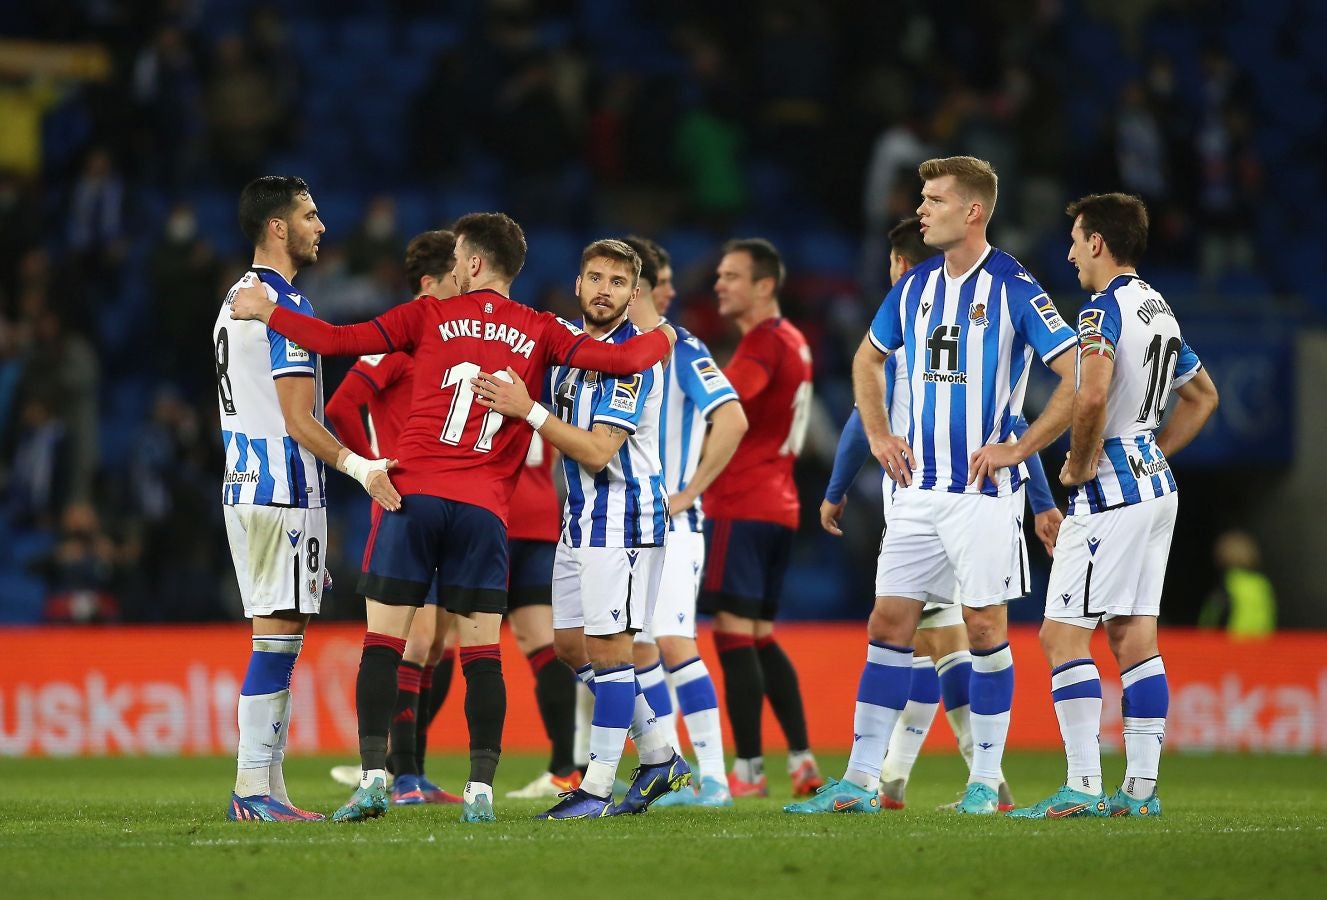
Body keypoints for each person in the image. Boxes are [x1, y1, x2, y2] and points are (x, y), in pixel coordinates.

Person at [229, 213, 677, 824]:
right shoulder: (545, 330)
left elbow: (333, 341)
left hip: (411, 497)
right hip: (484, 511)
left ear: (471, 263)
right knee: (483, 656)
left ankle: (374, 780)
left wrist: (268, 311)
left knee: (384, 645)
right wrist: (665, 334)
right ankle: (480, 794)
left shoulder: (426, 315)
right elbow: (626, 360)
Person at [788, 156, 1079, 816]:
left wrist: (1021, 449)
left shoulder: (1013, 285)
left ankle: (984, 781)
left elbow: (1077, 375)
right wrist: (879, 432)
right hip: (917, 492)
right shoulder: (914, 284)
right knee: (888, 622)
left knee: (982, 625)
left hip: (981, 494)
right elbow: (867, 359)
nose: (920, 210)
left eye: (934, 200)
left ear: (972, 211)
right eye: (921, 199)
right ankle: (860, 782)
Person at [1008, 193, 1218, 819]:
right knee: (1133, 637)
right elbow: (1204, 396)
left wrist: (1078, 463)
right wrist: (1151, 454)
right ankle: (1141, 792)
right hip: (1155, 488)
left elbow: (1091, 393)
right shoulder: (1158, 307)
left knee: (1061, 635)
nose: (1071, 252)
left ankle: (1082, 785)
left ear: (1098, 242)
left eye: (1076, 239)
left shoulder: (1101, 311)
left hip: (1111, 495)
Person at [472, 239, 691, 819]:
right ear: (577, 283)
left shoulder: (634, 360)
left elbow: (596, 451)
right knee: (572, 647)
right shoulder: (567, 345)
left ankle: (595, 788)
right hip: (579, 519)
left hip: (624, 518)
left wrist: (528, 409)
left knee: (612, 652)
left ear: (633, 295)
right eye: (595, 277)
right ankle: (659, 755)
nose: (603, 290)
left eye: (617, 283)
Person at [216, 175, 399, 822]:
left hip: (247, 484)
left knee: (281, 638)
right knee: (275, 640)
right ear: (278, 227)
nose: (321, 226)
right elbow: (299, 419)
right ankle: (251, 791)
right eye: (309, 215)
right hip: (282, 489)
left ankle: (269, 789)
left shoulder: (238, 297)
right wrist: (360, 467)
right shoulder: (282, 306)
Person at [323, 230, 463, 806]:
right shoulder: (399, 340)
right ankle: (397, 774)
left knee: (439, 645)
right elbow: (340, 405)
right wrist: (372, 468)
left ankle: (412, 772)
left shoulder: (452, 345)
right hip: (404, 504)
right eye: (457, 278)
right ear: (430, 283)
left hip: (447, 507)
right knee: (416, 640)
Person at [623, 236, 748, 809]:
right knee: (638, 650)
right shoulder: (612, 349)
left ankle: (716, 780)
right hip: (624, 526)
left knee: (674, 643)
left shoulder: (683, 348)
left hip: (673, 526)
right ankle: (673, 771)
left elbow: (733, 418)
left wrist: (691, 490)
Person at [700, 238, 822, 799]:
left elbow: (722, 408)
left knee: (733, 635)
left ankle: (748, 770)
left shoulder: (761, 344)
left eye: (731, 276)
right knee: (759, 636)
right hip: (779, 504)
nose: (719, 284)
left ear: (764, 285)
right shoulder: (793, 340)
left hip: (741, 501)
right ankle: (801, 758)